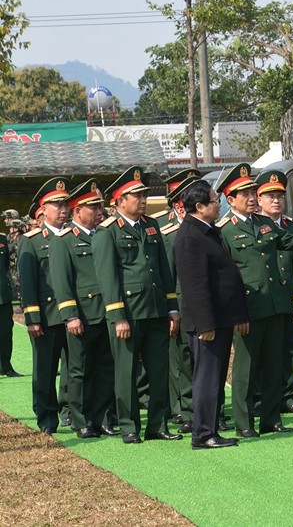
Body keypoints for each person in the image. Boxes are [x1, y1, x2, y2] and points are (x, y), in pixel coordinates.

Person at [217, 163, 293, 438]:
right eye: (244, 193)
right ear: (230, 199)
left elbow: (292, 241)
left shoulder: (265, 224)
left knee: (274, 365)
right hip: (248, 310)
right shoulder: (224, 231)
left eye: (251, 192)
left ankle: (271, 418)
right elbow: (224, 279)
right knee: (246, 370)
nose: (250, 197)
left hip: (274, 305)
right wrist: (235, 313)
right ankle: (244, 422)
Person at [92, 166, 182, 444]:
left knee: (159, 371)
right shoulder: (107, 232)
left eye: (143, 195)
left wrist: (172, 307)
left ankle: (158, 424)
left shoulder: (151, 226)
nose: (142, 200)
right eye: (136, 196)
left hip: (155, 310)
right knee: (126, 372)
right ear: (120, 201)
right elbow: (108, 278)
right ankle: (129, 426)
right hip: (128, 314)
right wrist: (118, 316)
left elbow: (163, 271)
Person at [174, 179, 250, 449]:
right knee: (206, 378)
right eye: (215, 201)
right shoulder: (189, 237)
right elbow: (195, 287)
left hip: (221, 318)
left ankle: (211, 429)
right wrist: (205, 324)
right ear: (199, 206)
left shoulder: (206, 231)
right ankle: (203, 434)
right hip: (208, 323)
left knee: (215, 377)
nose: (219, 206)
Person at [48, 179, 117, 438]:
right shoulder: (63, 240)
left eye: (100, 207)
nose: (99, 213)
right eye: (93, 208)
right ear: (77, 211)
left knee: (105, 366)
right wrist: (70, 316)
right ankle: (81, 419)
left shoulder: (103, 235)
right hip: (83, 315)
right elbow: (62, 283)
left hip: (106, 312)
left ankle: (102, 417)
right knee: (79, 370)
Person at [255, 170, 293, 414]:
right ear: (259, 200)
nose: (276, 200)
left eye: (279, 195)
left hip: (289, 297)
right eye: (270, 196)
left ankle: (289, 395)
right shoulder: (253, 225)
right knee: (261, 350)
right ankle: (260, 397)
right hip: (264, 299)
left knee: (289, 348)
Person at [17, 177, 70, 433]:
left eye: (65, 204)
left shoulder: (73, 236)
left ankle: (72, 411)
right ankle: (47, 417)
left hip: (74, 315)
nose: (63, 209)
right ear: (43, 209)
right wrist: (32, 318)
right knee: (46, 369)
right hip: (47, 316)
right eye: (57, 205)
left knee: (75, 369)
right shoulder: (32, 240)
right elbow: (28, 283)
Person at [159, 169, 201, 433]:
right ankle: (185, 410)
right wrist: (171, 308)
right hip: (182, 304)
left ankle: (211, 409)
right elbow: (168, 276)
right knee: (183, 360)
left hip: (203, 304)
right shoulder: (168, 232)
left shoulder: (207, 228)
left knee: (207, 361)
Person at [0, 222, 20, 377]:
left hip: (3, 296)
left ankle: (6, 366)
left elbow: (6, 265)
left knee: (6, 332)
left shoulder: (2, 239)